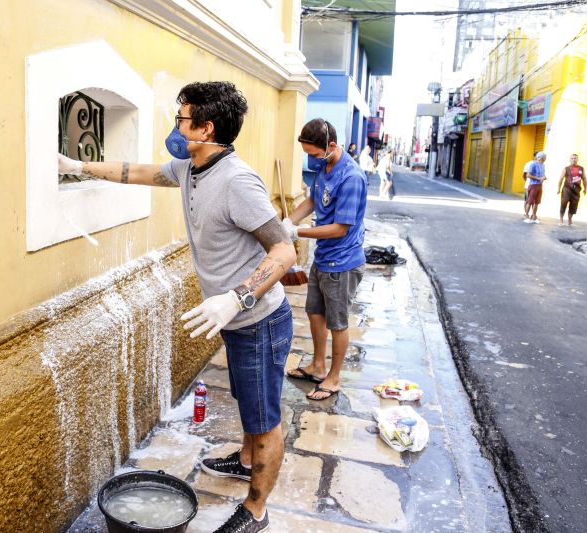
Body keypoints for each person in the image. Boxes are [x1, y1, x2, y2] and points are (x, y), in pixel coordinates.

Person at [57, 81, 295, 533]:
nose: (175, 127)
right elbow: (141, 172)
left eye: (182, 120)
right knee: (249, 401)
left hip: (259, 320)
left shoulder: (237, 181)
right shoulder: (190, 167)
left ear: (206, 128)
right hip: (235, 320)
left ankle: (257, 511)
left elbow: (284, 253)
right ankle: (246, 461)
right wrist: (78, 165)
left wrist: (237, 297)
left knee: (264, 420)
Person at [283, 119, 367, 401]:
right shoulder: (323, 166)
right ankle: (318, 366)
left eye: (315, 154)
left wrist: (298, 231)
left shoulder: (351, 178)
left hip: (343, 262)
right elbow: (313, 199)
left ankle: (333, 377)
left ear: (331, 146)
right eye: (308, 154)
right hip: (323, 258)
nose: (312, 159)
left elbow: (339, 228)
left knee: (338, 322)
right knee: (315, 312)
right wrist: (287, 220)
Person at [558, 153, 586, 226]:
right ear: (570, 159)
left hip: (576, 190)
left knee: (574, 205)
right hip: (567, 189)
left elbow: (584, 179)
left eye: (575, 158)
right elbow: (561, 179)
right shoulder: (566, 168)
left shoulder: (581, 168)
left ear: (578, 159)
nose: (574, 159)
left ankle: (570, 221)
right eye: (572, 158)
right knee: (563, 203)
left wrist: (585, 189)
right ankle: (561, 220)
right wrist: (559, 188)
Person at [523, 152, 547, 224]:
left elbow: (543, 175)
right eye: (545, 157)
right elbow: (528, 175)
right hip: (533, 185)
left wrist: (544, 177)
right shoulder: (533, 164)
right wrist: (538, 178)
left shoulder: (543, 165)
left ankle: (534, 216)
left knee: (537, 202)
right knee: (530, 202)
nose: (545, 158)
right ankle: (527, 216)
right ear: (541, 157)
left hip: (540, 185)